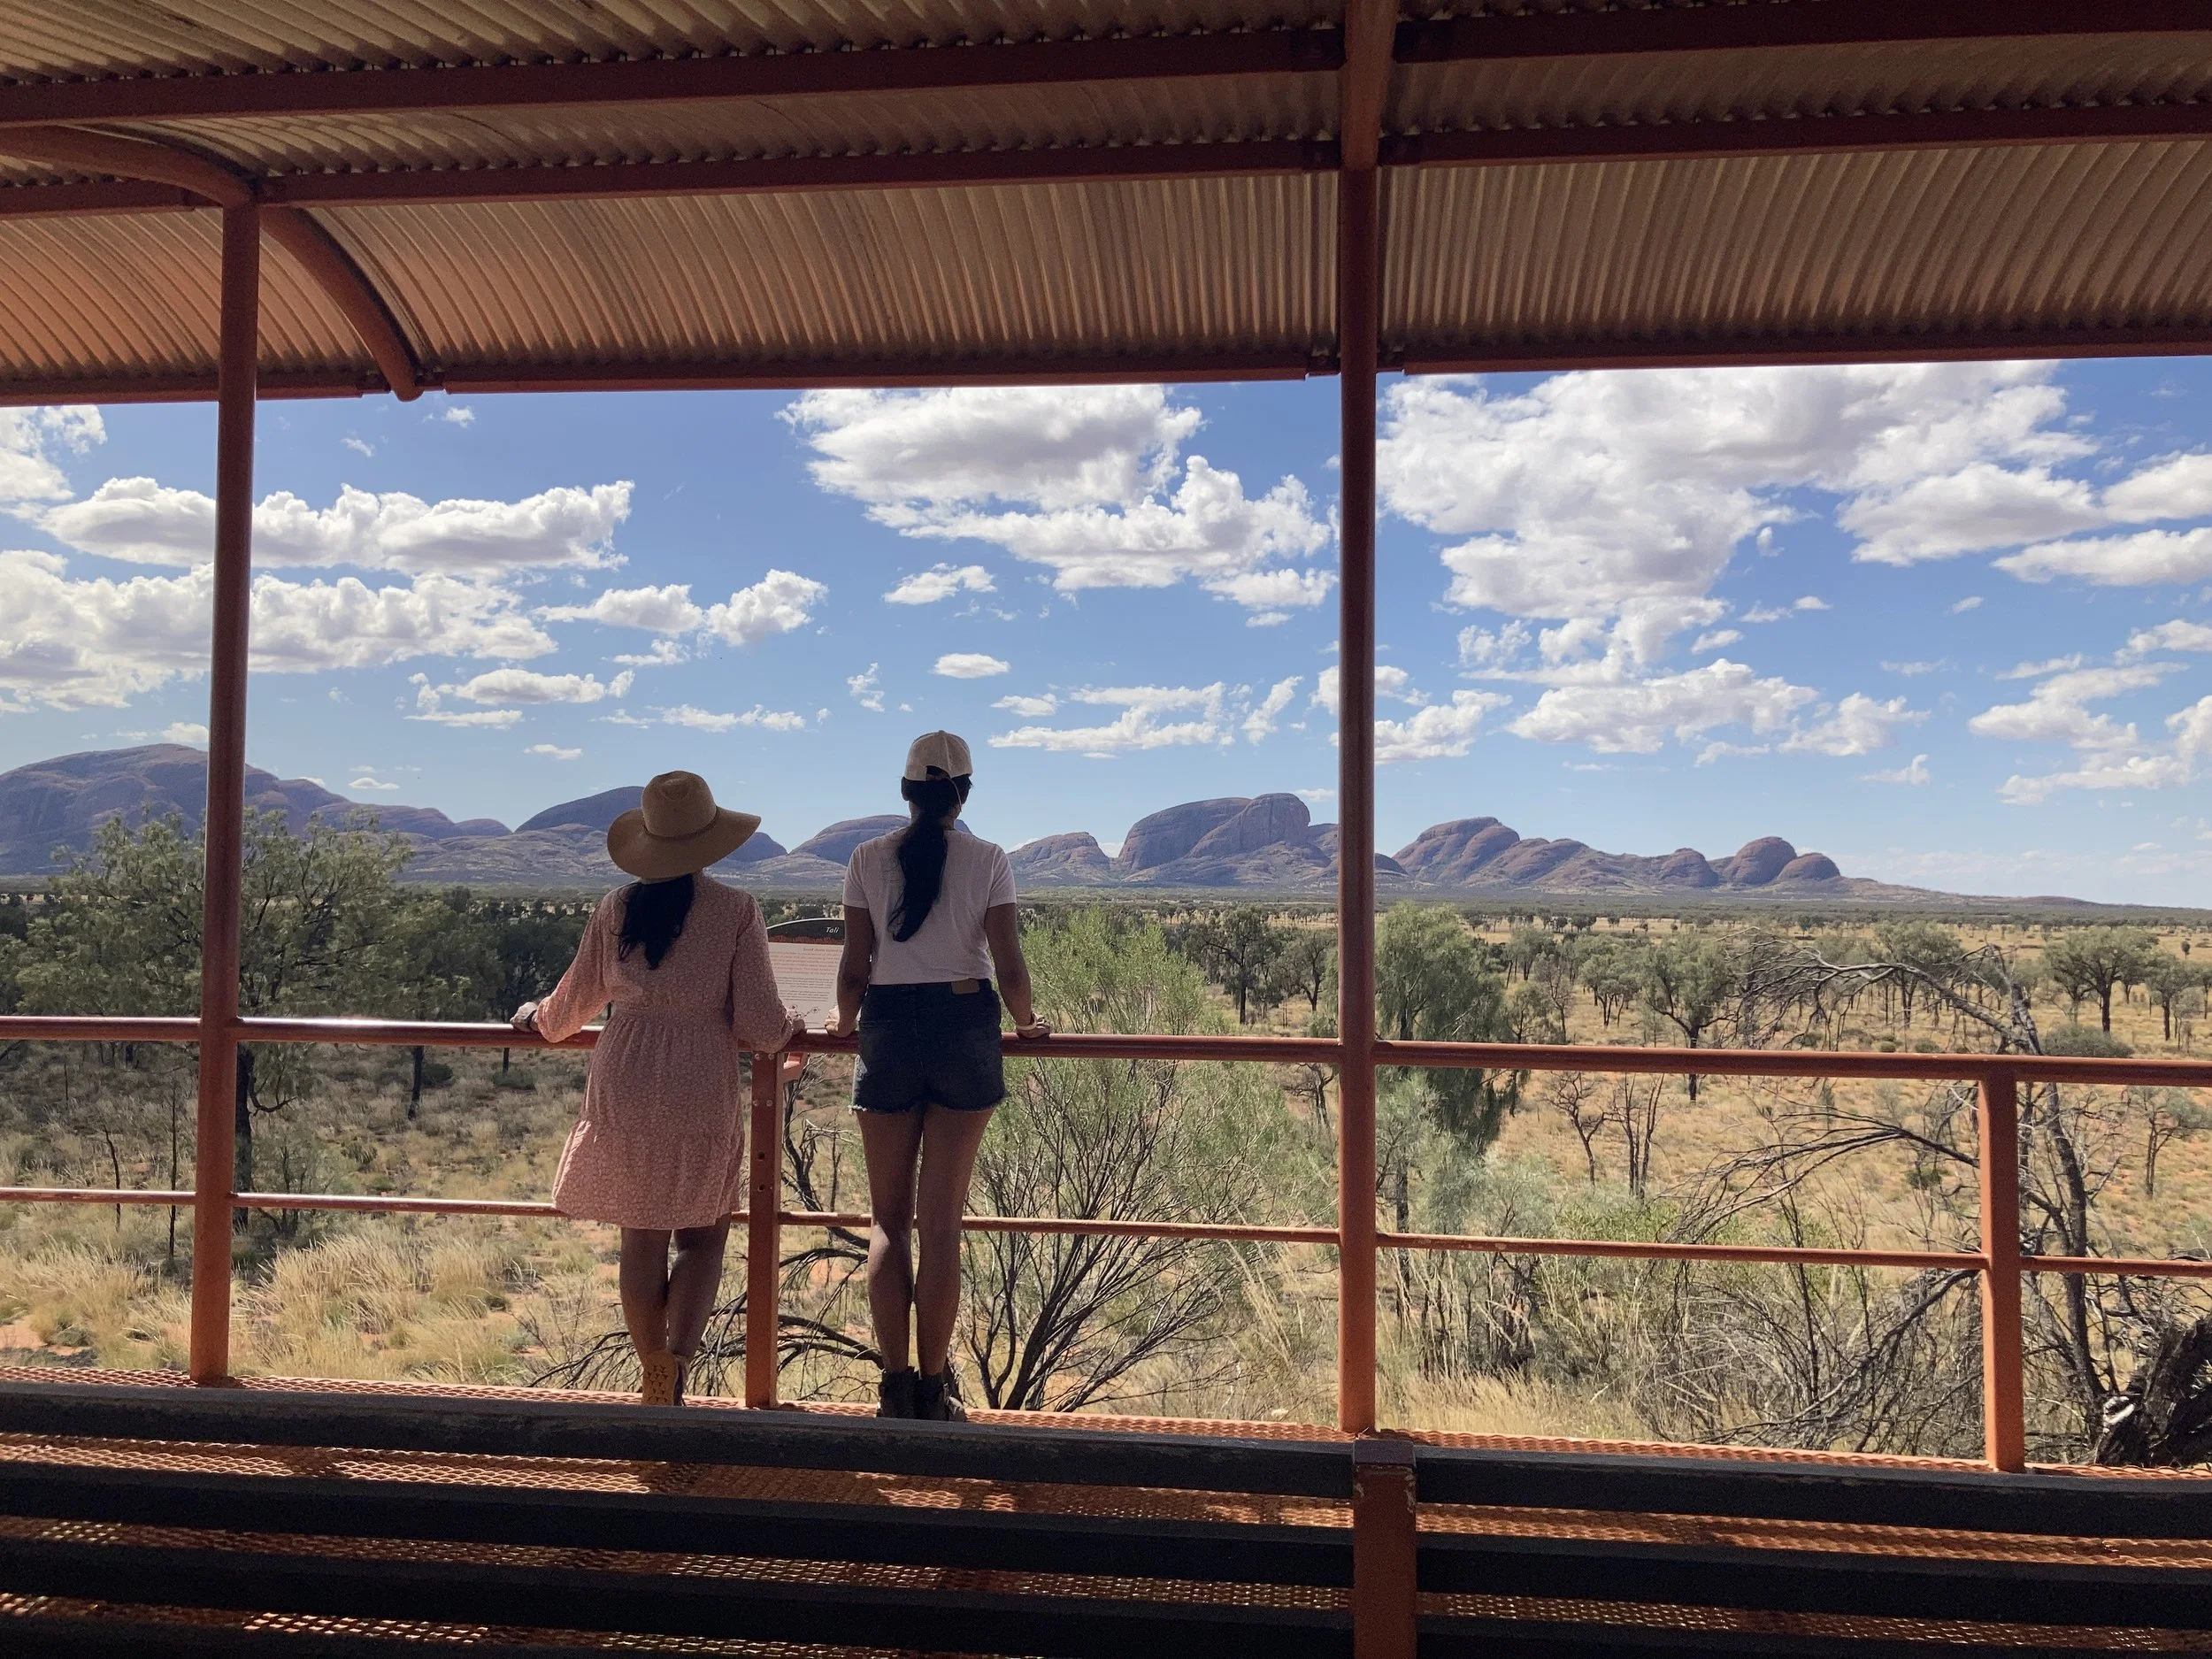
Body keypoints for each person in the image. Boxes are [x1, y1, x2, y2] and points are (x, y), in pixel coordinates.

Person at [512, 771, 802, 1407]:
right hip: (700, 1080)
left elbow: (566, 1013)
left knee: (640, 1236)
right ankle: (677, 1363)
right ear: (710, 841)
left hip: (626, 1075)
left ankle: (652, 1371)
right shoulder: (735, 909)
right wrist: (791, 1031)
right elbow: (759, 1021)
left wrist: (535, 1014)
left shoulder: (616, 908)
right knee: (704, 1234)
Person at [828, 732, 1048, 1420]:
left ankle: (893, 1388)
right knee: (941, 1223)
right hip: (964, 1025)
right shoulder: (989, 859)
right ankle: (933, 1388)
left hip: (888, 1026)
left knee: (888, 1221)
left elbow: (855, 967)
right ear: (964, 793)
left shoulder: (867, 858)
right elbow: (1008, 965)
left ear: (905, 792)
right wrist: (1027, 1020)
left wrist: (841, 1023)